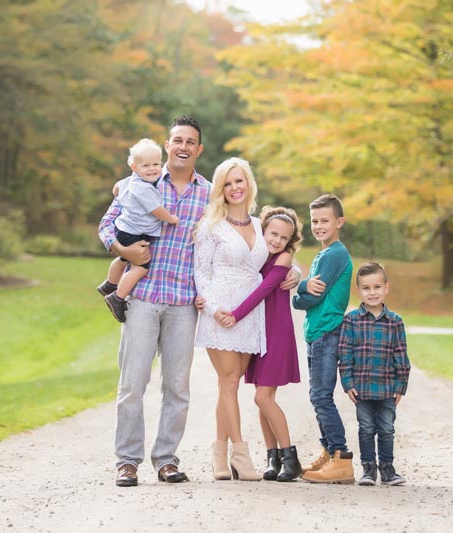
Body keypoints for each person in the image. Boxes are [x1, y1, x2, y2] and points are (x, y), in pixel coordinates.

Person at [98, 116, 210, 487]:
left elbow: (233, 236)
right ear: (167, 145)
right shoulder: (141, 180)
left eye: (190, 141)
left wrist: (285, 264)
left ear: (198, 149)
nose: (183, 146)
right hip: (143, 299)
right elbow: (107, 225)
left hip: (182, 303)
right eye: (177, 140)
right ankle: (127, 461)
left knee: (177, 387)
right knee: (133, 383)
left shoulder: (209, 194)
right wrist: (122, 249)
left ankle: (166, 460)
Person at [215, 206, 304, 482]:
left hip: (276, 333)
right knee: (263, 400)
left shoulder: (284, 257)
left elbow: (263, 289)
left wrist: (235, 315)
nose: (277, 241)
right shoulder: (255, 253)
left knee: (263, 397)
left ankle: (290, 457)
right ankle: (272, 458)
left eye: (284, 238)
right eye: (273, 234)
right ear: (262, 231)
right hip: (256, 334)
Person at [193, 157, 268, 482]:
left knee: (231, 381)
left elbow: (274, 261)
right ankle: (240, 454)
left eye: (239, 180)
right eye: (228, 183)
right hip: (221, 312)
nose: (235, 187)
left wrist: (293, 271)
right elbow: (201, 271)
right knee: (230, 381)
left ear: (248, 183)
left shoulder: (261, 225)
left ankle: (218, 453)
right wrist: (211, 308)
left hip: (249, 315)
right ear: (220, 189)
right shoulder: (211, 226)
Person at [292, 193, 354, 484]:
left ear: (339, 222)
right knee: (317, 396)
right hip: (316, 332)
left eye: (325, 221)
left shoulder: (335, 254)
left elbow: (310, 299)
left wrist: (300, 290)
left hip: (328, 332)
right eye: (315, 221)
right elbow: (307, 293)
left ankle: (341, 458)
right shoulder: (322, 254)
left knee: (321, 396)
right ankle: (329, 452)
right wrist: (304, 287)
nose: (318, 226)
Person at [339, 261, 410, 486]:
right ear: (359, 290)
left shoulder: (395, 322)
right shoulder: (351, 320)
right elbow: (345, 354)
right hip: (362, 388)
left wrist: (401, 386)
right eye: (366, 288)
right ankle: (368, 470)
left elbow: (401, 355)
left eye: (377, 287)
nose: (372, 293)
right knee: (366, 429)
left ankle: (387, 471)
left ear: (386, 288)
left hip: (387, 387)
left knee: (387, 429)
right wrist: (347, 382)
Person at [96, 138, 180, 323]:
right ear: (134, 167)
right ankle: (117, 298)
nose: (152, 169)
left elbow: (116, 187)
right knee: (140, 267)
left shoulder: (130, 181)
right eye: (146, 165)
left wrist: (119, 191)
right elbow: (156, 210)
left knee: (124, 258)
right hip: (134, 233)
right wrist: (170, 218)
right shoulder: (143, 189)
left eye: (156, 164)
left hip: (125, 229)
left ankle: (109, 284)